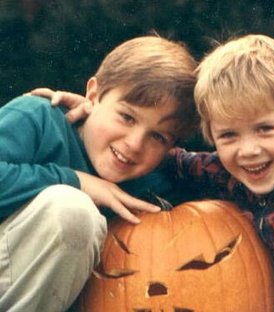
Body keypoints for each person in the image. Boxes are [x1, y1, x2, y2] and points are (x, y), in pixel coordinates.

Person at [29, 36, 274, 311]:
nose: (248, 150)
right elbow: (159, 155)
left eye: (265, 129)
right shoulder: (225, 171)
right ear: (211, 136)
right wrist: (97, 117)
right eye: (228, 136)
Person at [0, 35, 199, 312]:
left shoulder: (155, 189)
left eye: (158, 136)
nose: (134, 144)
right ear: (93, 94)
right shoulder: (40, 118)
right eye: (127, 117)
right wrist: (77, 181)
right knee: (72, 210)